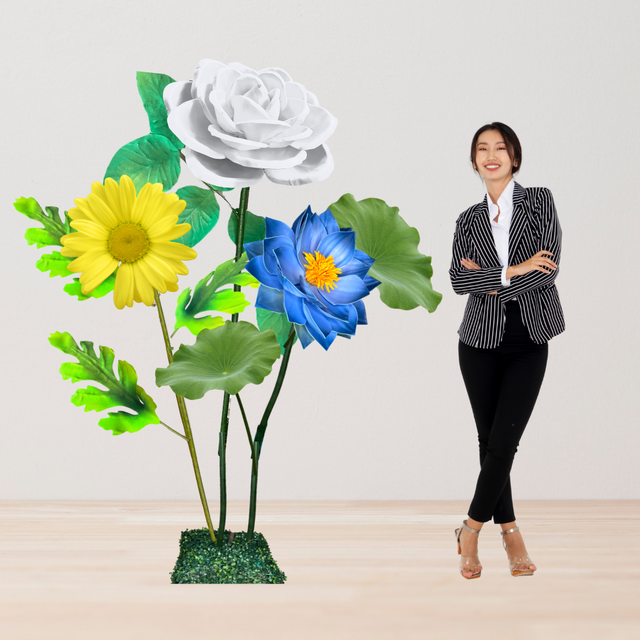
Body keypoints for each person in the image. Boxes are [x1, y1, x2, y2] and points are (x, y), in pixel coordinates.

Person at [448, 122, 565, 579]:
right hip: (477, 341)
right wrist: (515, 268)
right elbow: (460, 282)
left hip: (530, 339)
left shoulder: (540, 201)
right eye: (482, 149)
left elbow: (548, 269)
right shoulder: (468, 220)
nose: (491, 155)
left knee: (504, 442)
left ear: (514, 157)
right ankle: (511, 528)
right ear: (474, 160)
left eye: (501, 147)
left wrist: (490, 276)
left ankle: (471, 529)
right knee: (490, 442)